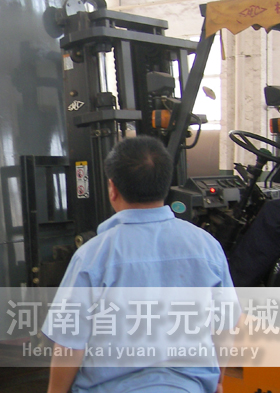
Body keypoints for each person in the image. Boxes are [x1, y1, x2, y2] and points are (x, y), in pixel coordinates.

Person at [42, 136, 236, 393]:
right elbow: (224, 327)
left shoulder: (92, 256)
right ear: (165, 185)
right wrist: (218, 381)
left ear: (112, 189)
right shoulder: (207, 246)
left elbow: (70, 344)